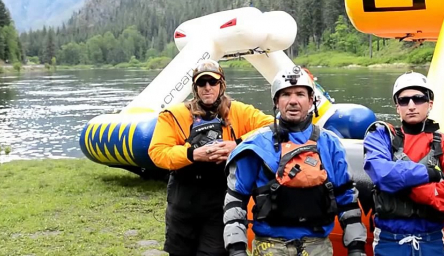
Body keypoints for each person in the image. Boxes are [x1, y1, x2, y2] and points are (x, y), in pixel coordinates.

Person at [222, 65, 368, 256]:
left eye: (300, 94)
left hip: (317, 244)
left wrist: (356, 247)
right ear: (276, 102)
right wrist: (236, 249)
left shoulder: (330, 144)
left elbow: (346, 198)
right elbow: (236, 200)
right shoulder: (256, 146)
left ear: (311, 100)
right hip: (270, 245)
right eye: (285, 95)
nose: (293, 101)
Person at [148, 59, 274, 256]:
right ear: (195, 88)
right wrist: (192, 154)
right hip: (184, 197)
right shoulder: (173, 115)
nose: (207, 88)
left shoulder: (240, 112)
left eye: (212, 82)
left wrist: (238, 144)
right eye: (201, 83)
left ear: (221, 85)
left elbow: (273, 127)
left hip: (221, 197)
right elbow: (158, 152)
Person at [363, 72, 444, 256]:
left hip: (431, 241)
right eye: (404, 101)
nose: (411, 106)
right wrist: (431, 175)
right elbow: (382, 174)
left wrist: (406, 189)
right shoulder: (381, 137)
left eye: (418, 99)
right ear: (397, 107)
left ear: (430, 104)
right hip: (389, 241)